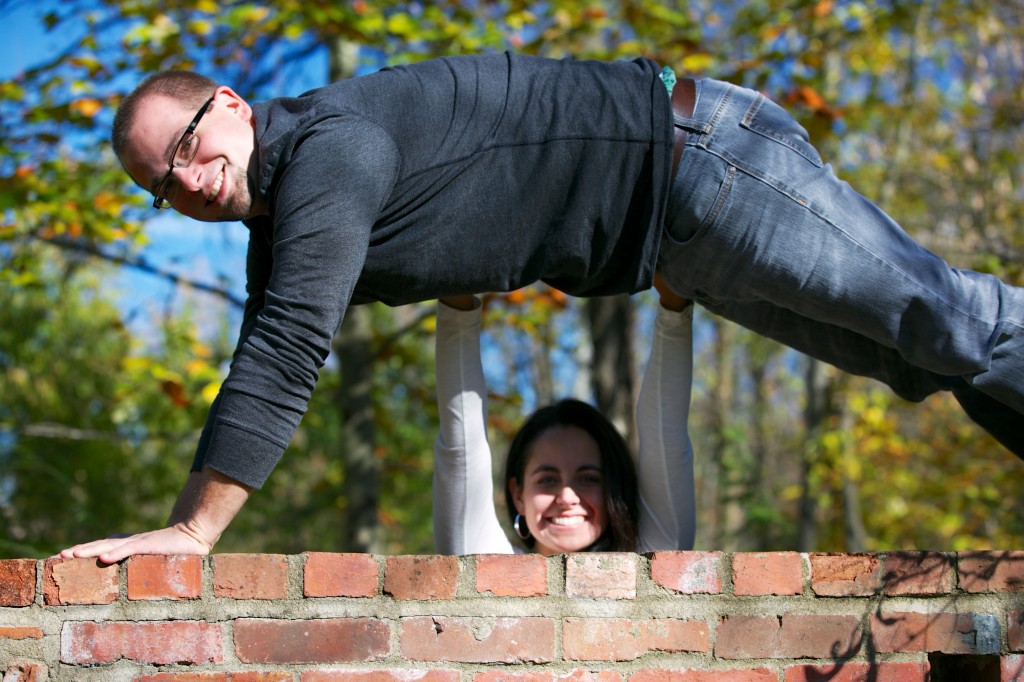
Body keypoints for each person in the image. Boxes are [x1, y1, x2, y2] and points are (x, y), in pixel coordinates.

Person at [61, 51, 1024, 563]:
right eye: (162, 186)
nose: (189, 180)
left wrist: (192, 533)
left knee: (949, 324)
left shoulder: (325, 148)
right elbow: (276, 336)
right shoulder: (285, 225)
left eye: (186, 143)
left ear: (230, 103)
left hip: (708, 166)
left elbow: (285, 350)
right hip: (678, 245)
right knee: (923, 362)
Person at [433, 284, 695, 555]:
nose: (567, 498)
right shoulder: (482, 566)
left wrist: (674, 302)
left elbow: (667, 442)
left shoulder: (655, 565)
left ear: (613, 490)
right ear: (518, 495)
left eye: (589, 478)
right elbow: (461, 448)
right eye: (547, 479)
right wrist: (457, 292)